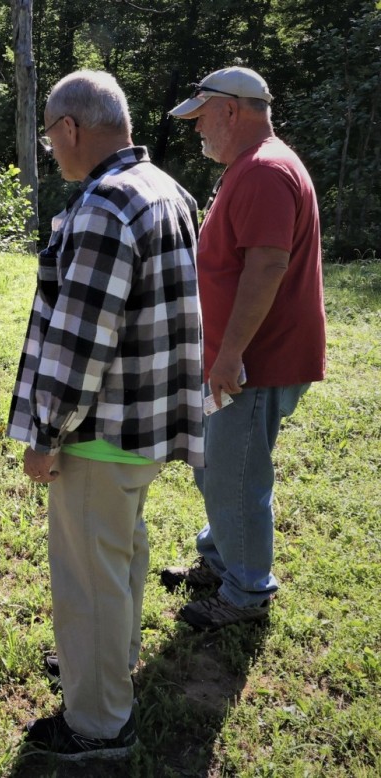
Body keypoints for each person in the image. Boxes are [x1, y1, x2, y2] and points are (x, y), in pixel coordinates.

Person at [7, 71, 203, 760]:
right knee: (118, 558)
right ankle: (106, 667)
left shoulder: (103, 207)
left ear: (71, 129)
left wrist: (45, 434)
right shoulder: (169, 191)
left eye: (49, 137)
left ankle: (97, 725)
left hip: (100, 428)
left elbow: (81, 341)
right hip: (148, 424)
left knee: (89, 577)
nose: (51, 151)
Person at [163, 67, 326, 630]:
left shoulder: (263, 171)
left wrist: (230, 355)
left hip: (254, 363)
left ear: (232, 110)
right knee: (217, 466)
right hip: (238, 359)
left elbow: (267, 265)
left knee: (236, 473)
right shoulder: (253, 166)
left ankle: (246, 592)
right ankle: (220, 561)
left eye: (202, 116)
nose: (197, 129)